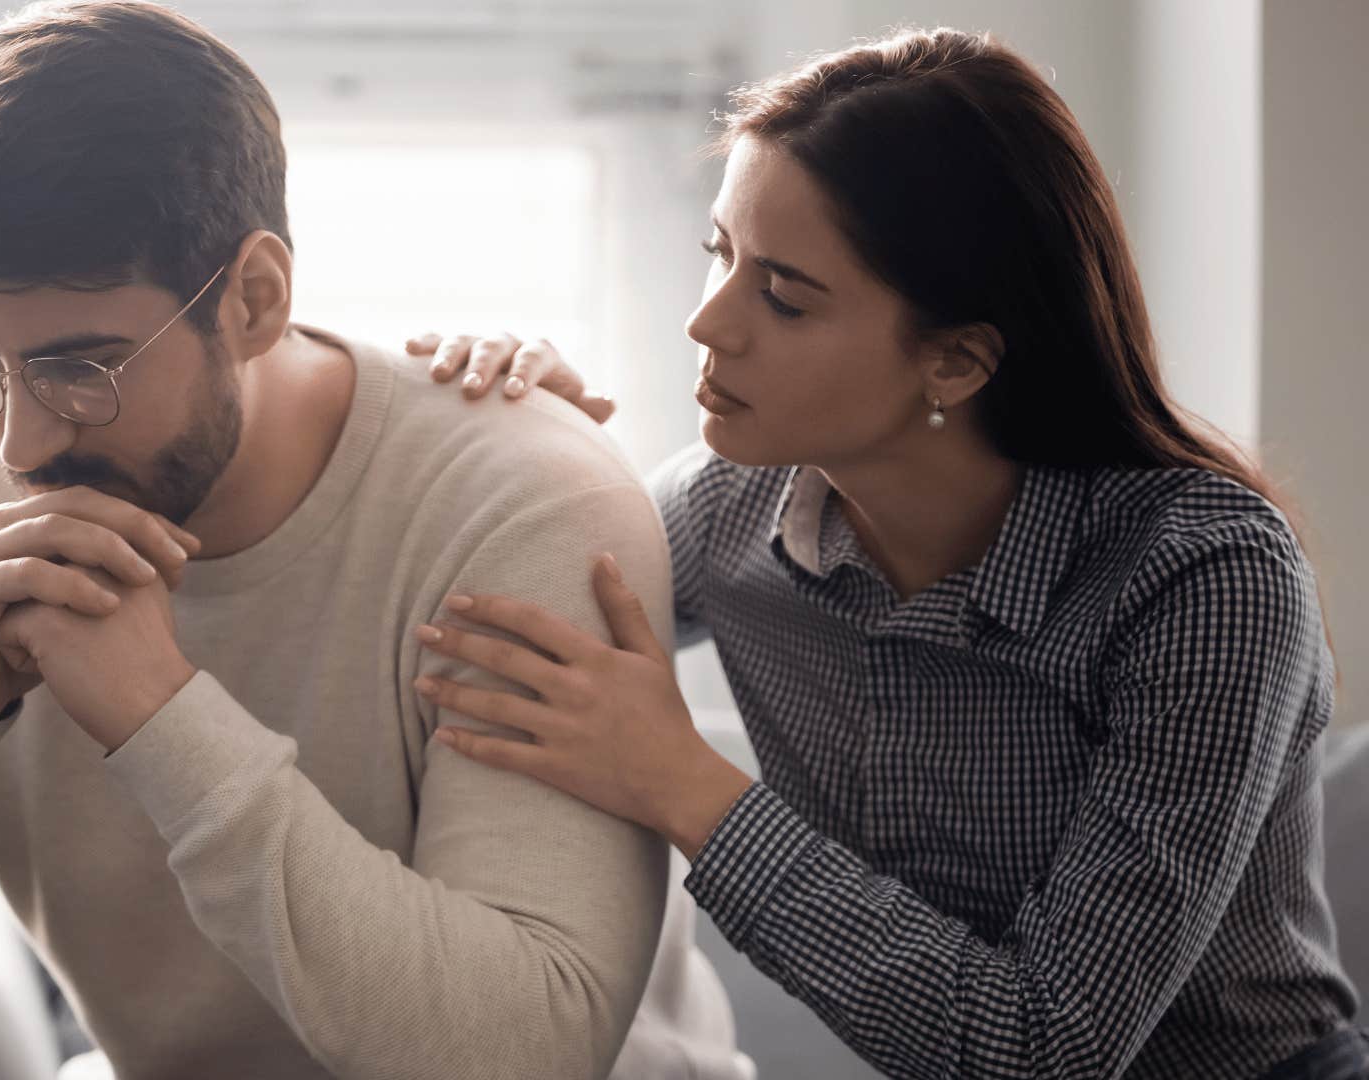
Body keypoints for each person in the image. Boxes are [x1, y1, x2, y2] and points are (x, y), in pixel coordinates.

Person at [0, 2, 750, 1078]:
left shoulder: (526, 502)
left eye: (81, 367)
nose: (20, 438)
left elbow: (520, 1055)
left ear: (253, 297)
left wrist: (164, 720)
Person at [410, 26, 1368, 1080]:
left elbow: (1042, 1050)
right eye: (718, 254)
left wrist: (680, 779)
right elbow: (506, 611)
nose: (706, 322)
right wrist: (526, 439)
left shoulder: (1205, 579)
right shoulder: (727, 509)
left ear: (956, 361)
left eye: (782, 295)